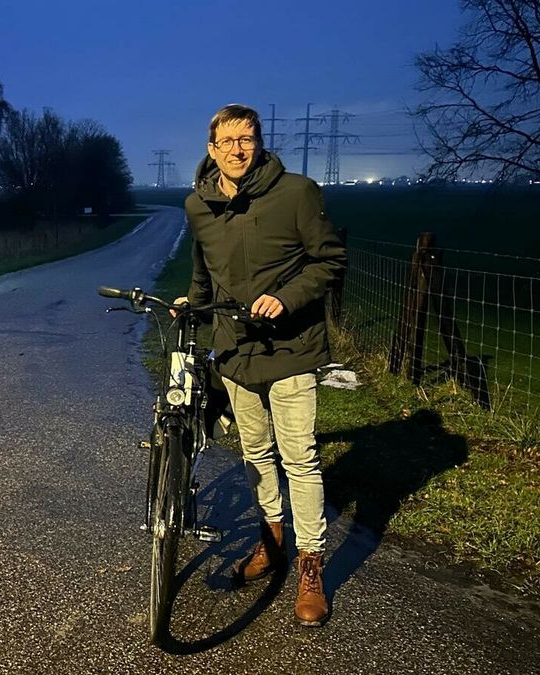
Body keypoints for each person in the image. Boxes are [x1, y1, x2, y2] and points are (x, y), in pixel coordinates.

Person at [176, 103, 347, 626]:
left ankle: (311, 565)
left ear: (259, 142)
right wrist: (191, 304)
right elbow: (204, 271)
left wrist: (287, 298)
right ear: (212, 150)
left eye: (246, 139)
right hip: (235, 349)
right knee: (255, 452)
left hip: (291, 346)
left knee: (300, 457)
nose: (237, 150)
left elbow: (330, 260)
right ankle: (271, 540)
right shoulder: (198, 205)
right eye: (227, 142)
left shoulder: (296, 193)